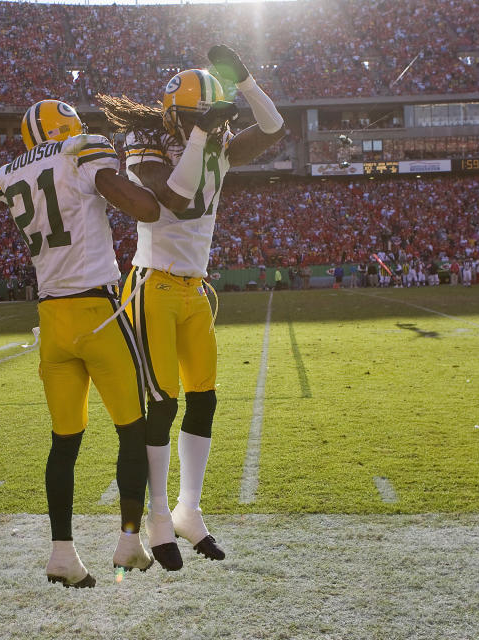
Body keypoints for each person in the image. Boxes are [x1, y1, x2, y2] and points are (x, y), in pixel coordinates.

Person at [98, 44, 285, 570]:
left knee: (204, 399)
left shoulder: (218, 147)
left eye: (210, 116)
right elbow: (174, 200)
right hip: (151, 286)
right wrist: (202, 133)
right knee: (162, 404)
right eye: (195, 117)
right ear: (174, 115)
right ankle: (158, 518)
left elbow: (272, 128)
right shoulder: (146, 146)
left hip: (194, 289)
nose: (207, 125)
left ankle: (188, 510)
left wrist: (244, 81)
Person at [0, 98, 161, 588]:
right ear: (67, 126)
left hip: (51, 320)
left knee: (64, 443)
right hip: (97, 311)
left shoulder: (8, 175)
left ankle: (62, 555)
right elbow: (143, 208)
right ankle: (130, 542)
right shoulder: (81, 150)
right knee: (133, 428)